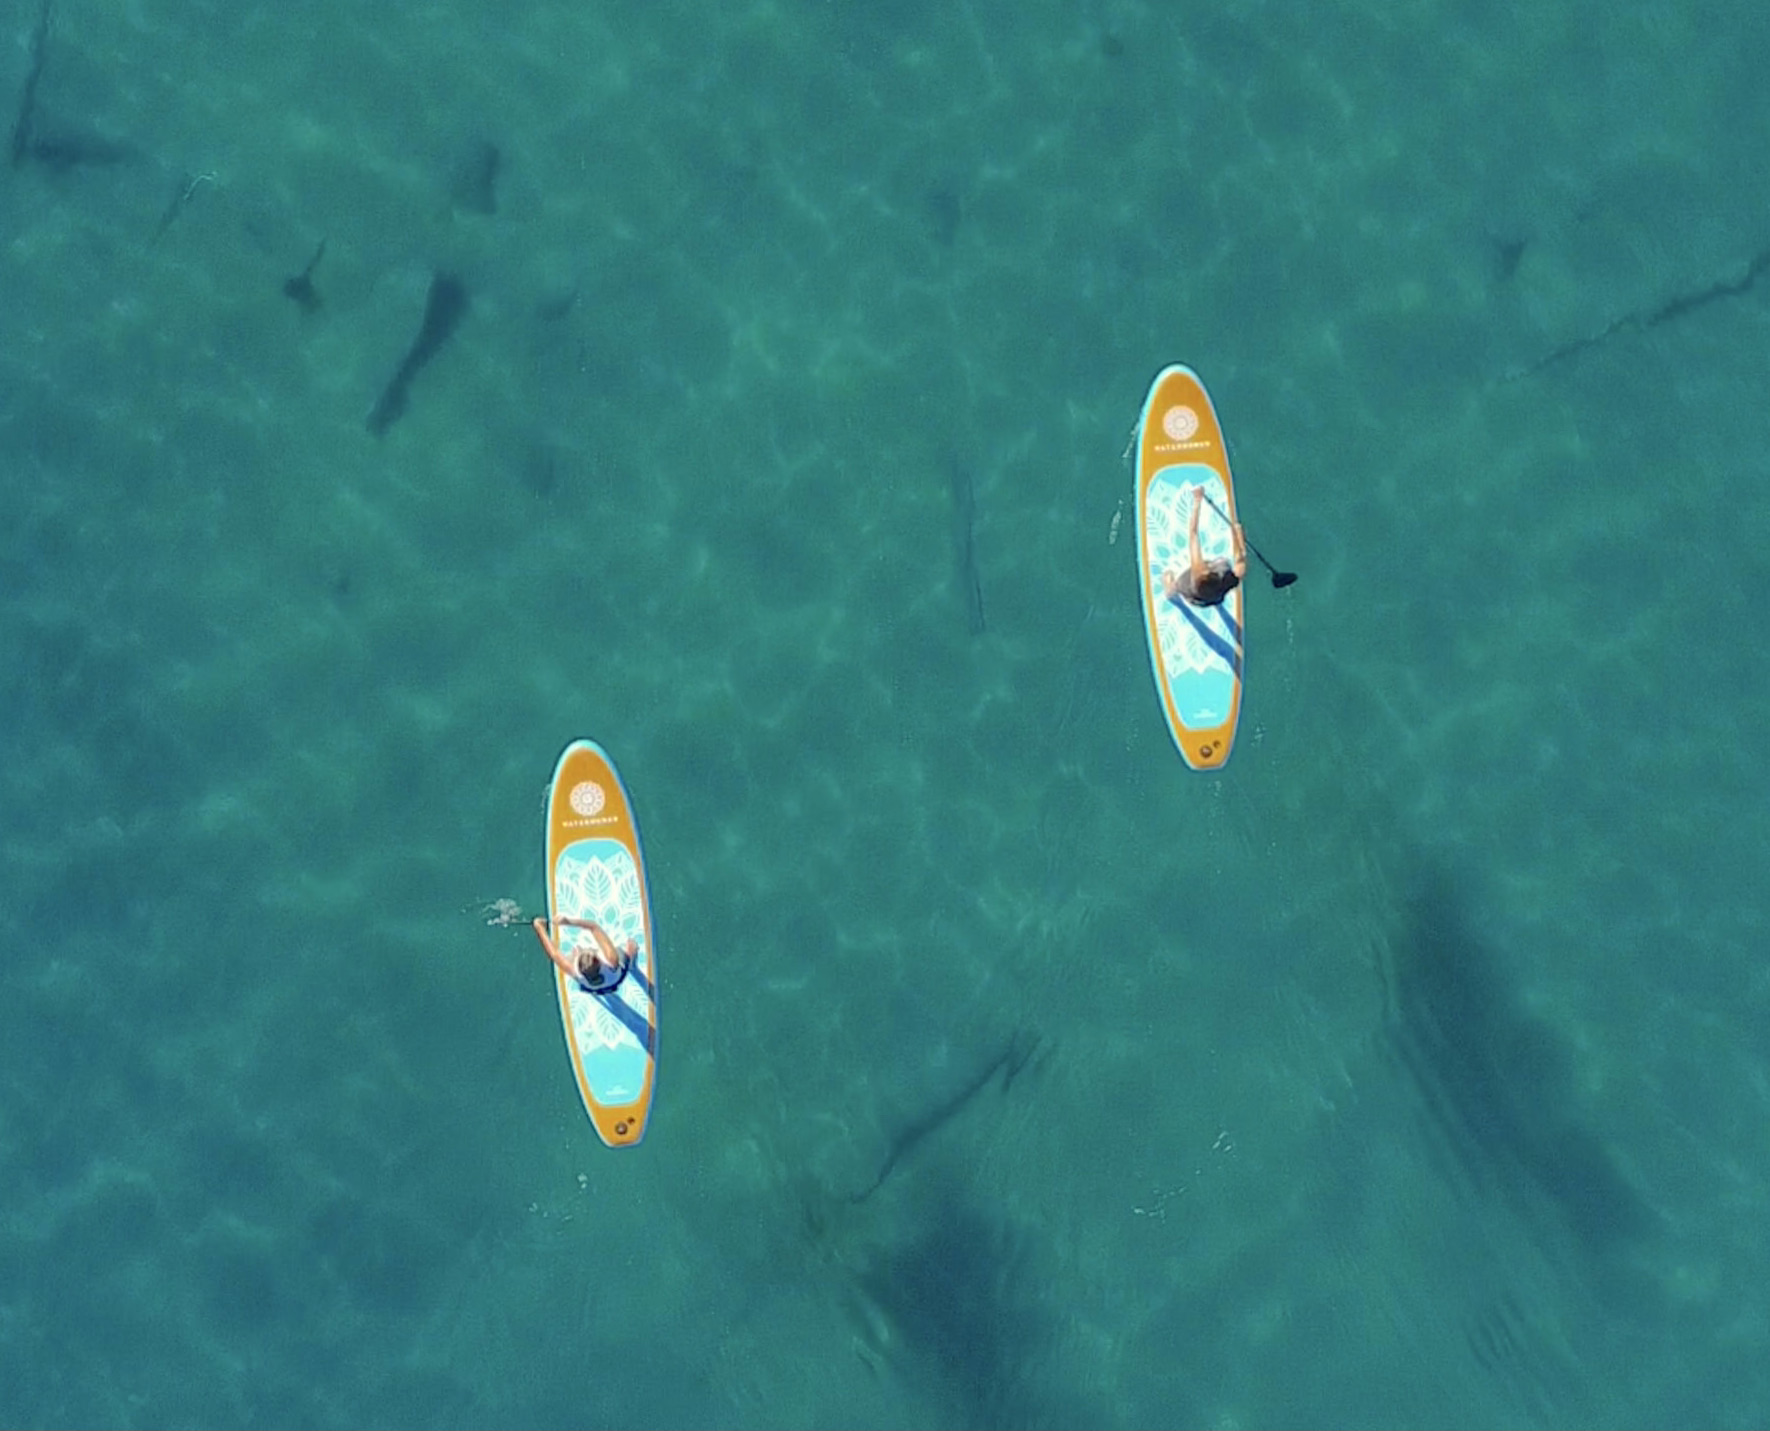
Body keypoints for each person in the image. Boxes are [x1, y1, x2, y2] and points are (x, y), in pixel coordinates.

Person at [1163, 486, 1247, 608]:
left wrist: (1197, 500)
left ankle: (1169, 591)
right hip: (1214, 598)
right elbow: (1241, 561)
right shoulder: (1226, 581)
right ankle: (1216, 603)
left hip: (1192, 596)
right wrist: (1239, 537)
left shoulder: (1198, 571)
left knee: (1175, 583)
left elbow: (1193, 534)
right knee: (1224, 563)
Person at [533, 915, 637, 995]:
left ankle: (595, 991)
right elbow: (593, 927)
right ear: (599, 961)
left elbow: (554, 953)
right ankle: (631, 960)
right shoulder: (611, 959)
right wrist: (567, 921)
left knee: (569, 961)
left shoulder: (573, 970)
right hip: (616, 980)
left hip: (590, 988)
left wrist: (539, 927)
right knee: (625, 951)